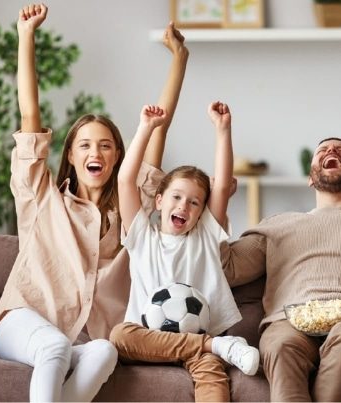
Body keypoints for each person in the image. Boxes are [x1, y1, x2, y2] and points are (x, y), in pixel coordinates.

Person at [0, 4, 190, 401]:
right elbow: (29, 114)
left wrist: (180, 59)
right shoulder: (41, 197)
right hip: (22, 323)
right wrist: (26, 37)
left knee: (106, 350)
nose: (96, 151)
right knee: (55, 346)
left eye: (107, 145)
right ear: (72, 157)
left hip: (82, 337)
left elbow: (159, 127)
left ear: (116, 159)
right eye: (85, 145)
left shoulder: (130, 211)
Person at [109, 101, 260, 402]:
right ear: (160, 201)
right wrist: (146, 128)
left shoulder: (204, 235)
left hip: (198, 333)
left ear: (202, 212)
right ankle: (215, 347)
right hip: (152, 340)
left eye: (194, 202)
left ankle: (209, 349)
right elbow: (125, 181)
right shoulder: (142, 237)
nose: (184, 206)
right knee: (119, 336)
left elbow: (220, 185)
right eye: (177, 197)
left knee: (213, 379)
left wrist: (223, 130)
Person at [219, 137, 341, 401]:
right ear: (311, 179)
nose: (331, 150)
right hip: (289, 322)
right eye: (322, 150)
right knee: (279, 346)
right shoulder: (278, 225)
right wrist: (219, 201)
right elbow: (227, 268)